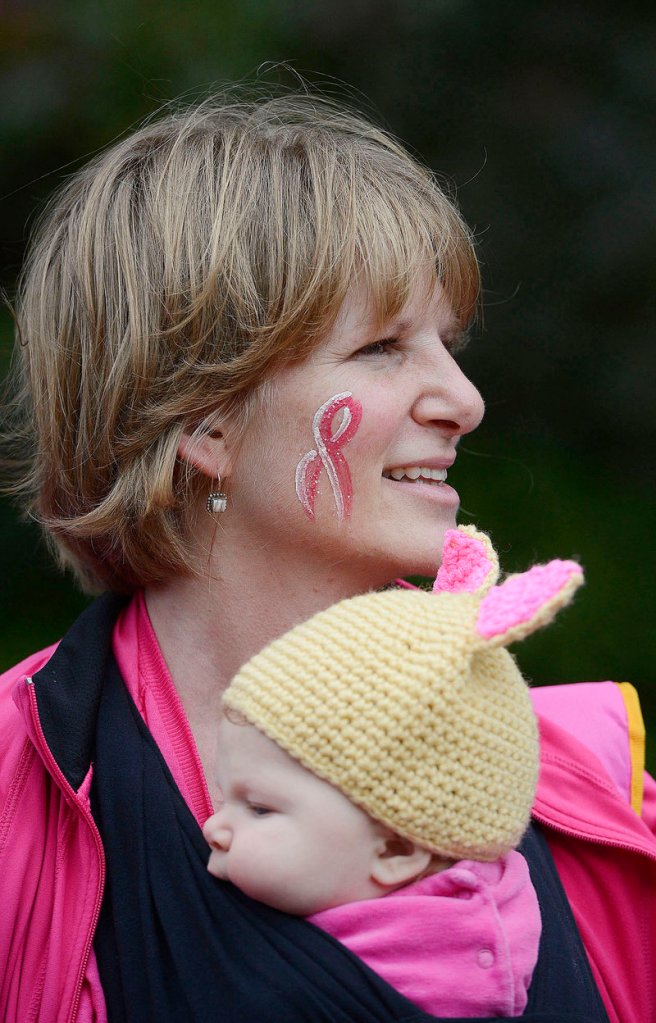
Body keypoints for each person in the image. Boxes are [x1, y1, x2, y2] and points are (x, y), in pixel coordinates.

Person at [0, 88, 654, 1023]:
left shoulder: (588, 795)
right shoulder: (14, 805)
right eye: (384, 347)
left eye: (448, 343)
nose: (463, 399)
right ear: (205, 420)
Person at [202, 524, 584, 1018]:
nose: (213, 827)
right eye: (224, 796)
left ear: (396, 850)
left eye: (259, 808)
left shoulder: (424, 980)